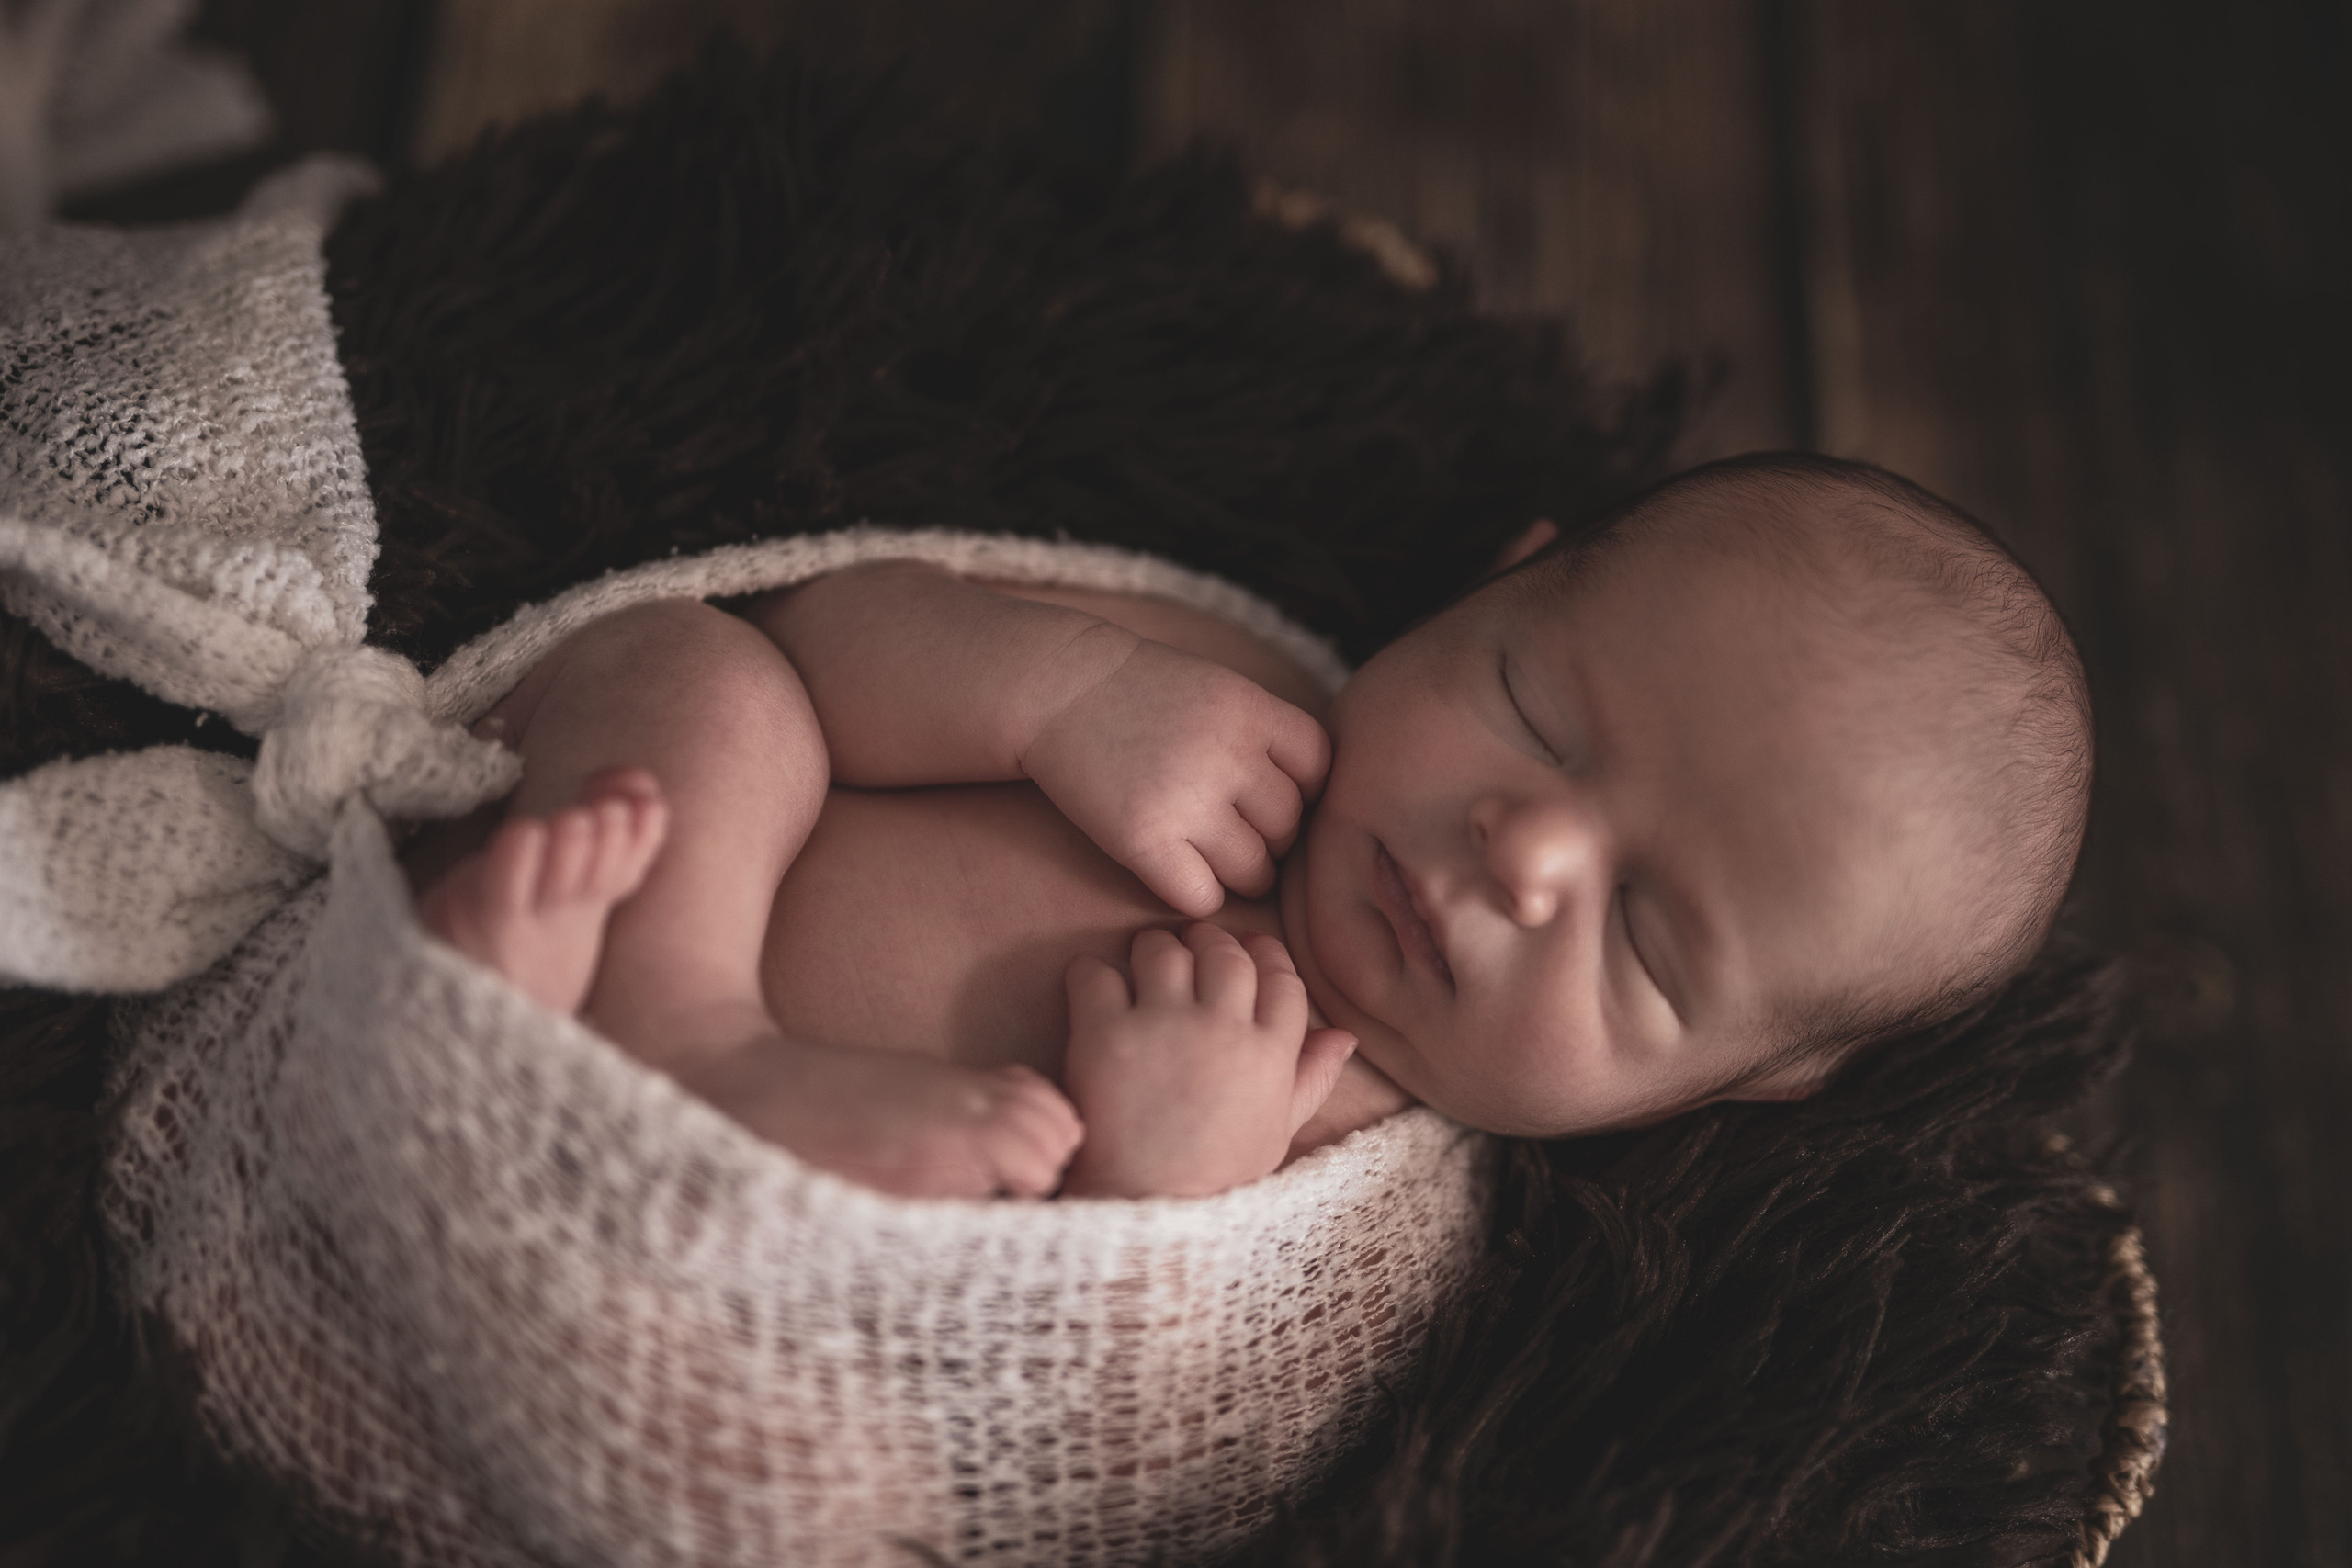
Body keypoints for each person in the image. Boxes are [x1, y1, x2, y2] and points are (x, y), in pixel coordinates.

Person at [405, 451, 2092, 1200]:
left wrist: (1155, 1190)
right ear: (1499, 582)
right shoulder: (1224, 688)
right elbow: (818, 635)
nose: (1525, 853)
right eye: (1536, 712)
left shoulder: (1373, 1184)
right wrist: (1059, 694)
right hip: (608, 928)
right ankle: (666, 1027)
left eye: (1645, 936)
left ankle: (506, 1064)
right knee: (690, 672)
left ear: (1730, 1084)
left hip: (733, 1281)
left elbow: (1097, 1458)